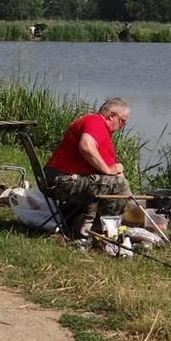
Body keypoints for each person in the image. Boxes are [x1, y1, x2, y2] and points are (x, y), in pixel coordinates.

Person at [44, 97, 132, 238]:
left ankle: (85, 223)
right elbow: (86, 146)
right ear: (112, 116)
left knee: (114, 182)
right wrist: (108, 171)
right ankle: (102, 232)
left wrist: (113, 170)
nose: (122, 126)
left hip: (61, 179)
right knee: (119, 185)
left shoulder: (97, 126)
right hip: (63, 181)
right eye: (122, 121)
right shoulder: (95, 122)